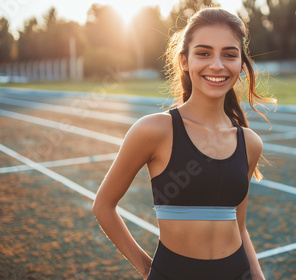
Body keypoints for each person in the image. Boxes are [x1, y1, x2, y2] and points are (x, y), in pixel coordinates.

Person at [92, 7, 276, 280]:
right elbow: (103, 206)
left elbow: (239, 226)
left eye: (229, 54)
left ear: (240, 64)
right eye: (204, 53)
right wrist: (147, 269)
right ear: (184, 61)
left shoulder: (250, 143)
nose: (217, 64)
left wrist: (258, 277)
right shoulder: (154, 129)